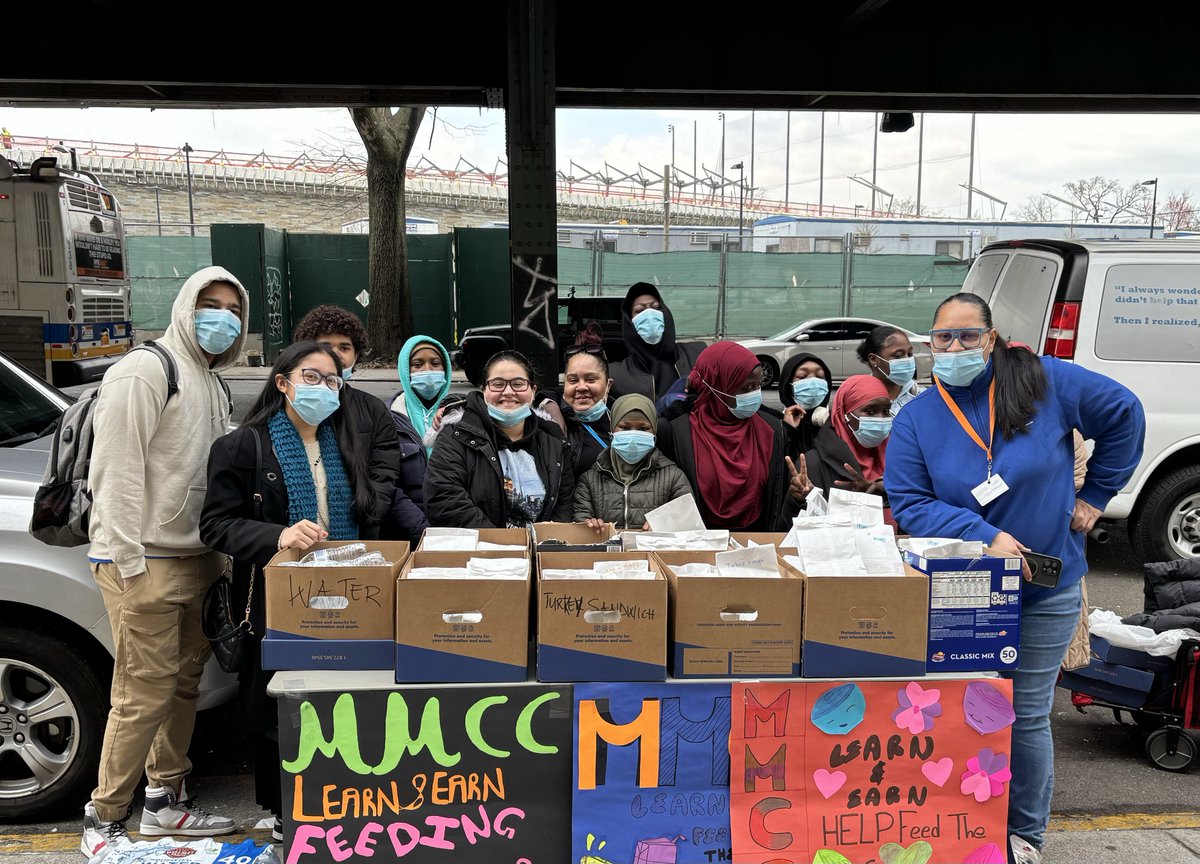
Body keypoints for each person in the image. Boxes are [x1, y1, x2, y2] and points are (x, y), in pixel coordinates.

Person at [883, 292, 1145, 864]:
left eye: (967, 336)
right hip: (961, 592)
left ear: (991, 337)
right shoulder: (918, 418)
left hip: (1044, 587)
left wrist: (1096, 495)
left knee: (1024, 715)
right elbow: (909, 501)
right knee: (959, 707)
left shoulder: (1046, 382)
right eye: (942, 339)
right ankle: (958, 819)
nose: (953, 349)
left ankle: (1024, 836)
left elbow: (1125, 412)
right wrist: (983, 534)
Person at [82, 267, 248, 856]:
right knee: (141, 692)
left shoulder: (211, 379)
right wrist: (127, 561)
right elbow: (116, 471)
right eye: (210, 303)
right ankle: (104, 819)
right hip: (143, 559)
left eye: (233, 307)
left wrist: (221, 557)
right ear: (186, 305)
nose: (222, 317)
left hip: (196, 558)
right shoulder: (146, 369)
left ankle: (164, 803)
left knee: (182, 687)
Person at [200, 341, 375, 842]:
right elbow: (214, 526)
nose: (324, 388)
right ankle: (283, 813)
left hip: (345, 595)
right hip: (275, 600)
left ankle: (337, 802)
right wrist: (276, 535)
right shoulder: (243, 446)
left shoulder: (341, 440)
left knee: (338, 702)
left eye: (333, 380)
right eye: (312, 377)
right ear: (283, 382)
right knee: (278, 705)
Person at [657, 341, 812, 530]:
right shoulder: (675, 431)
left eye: (758, 386)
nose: (755, 394)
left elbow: (775, 506)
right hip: (697, 546)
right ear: (715, 387)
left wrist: (795, 496)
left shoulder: (771, 429)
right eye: (746, 388)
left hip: (756, 548)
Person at [424, 350, 574, 528]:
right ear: (484, 390)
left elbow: (563, 507)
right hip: (478, 551)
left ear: (533, 390)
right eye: (497, 384)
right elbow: (444, 499)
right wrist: (501, 545)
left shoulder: (554, 440)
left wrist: (543, 545)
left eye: (518, 384)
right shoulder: (456, 435)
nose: (508, 392)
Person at [292, 305, 401, 534]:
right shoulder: (291, 403)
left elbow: (384, 471)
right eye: (325, 346)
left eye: (344, 347)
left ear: (356, 355)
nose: (335, 354)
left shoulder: (372, 409)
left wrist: (366, 512)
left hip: (359, 529)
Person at [573, 394, 693, 529]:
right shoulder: (590, 480)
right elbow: (580, 524)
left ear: (654, 433)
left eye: (643, 429)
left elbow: (686, 522)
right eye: (625, 427)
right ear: (611, 431)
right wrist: (591, 526)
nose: (633, 435)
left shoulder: (673, 478)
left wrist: (664, 526)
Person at [380, 335, 455, 542]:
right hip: (405, 534)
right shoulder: (385, 416)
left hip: (455, 531)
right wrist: (421, 529)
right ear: (406, 370)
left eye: (435, 363)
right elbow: (386, 484)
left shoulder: (462, 414)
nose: (427, 370)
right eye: (418, 364)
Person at [608, 281, 705, 403]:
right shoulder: (617, 375)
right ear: (629, 320)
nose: (649, 315)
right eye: (639, 310)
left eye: (656, 308)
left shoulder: (697, 355)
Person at [543, 323, 613, 480]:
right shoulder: (551, 424)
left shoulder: (623, 418)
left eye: (591, 379)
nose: (581, 387)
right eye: (573, 380)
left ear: (608, 385)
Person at [806, 374, 892, 499]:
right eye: (871, 412)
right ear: (844, 414)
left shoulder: (901, 458)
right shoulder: (813, 464)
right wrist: (797, 500)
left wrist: (888, 489)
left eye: (886, 411)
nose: (880, 419)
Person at [777, 352, 833, 462]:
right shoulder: (775, 425)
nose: (813, 381)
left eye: (820, 376)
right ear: (787, 384)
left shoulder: (835, 423)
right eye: (802, 377)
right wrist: (787, 430)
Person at [857, 324, 923, 416]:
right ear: (873, 359)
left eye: (910, 354)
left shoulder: (921, 395)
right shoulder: (860, 397)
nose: (907, 360)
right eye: (898, 356)